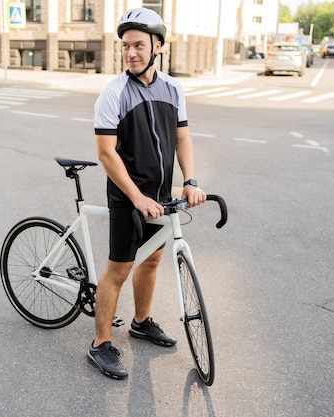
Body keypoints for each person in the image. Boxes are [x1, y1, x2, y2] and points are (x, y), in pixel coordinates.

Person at [88, 7, 207, 380]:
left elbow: (182, 137)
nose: (131, 53)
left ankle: (140, 322)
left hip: (159, 195)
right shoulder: (114, 94)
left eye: (139, 45)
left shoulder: (173, 88)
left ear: (157, 45)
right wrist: (136, 197)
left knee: (152, 261)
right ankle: (100, 344)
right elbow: (106, 153)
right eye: (126, 46)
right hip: (128, 198)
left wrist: (189, 180)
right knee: (118, 270)